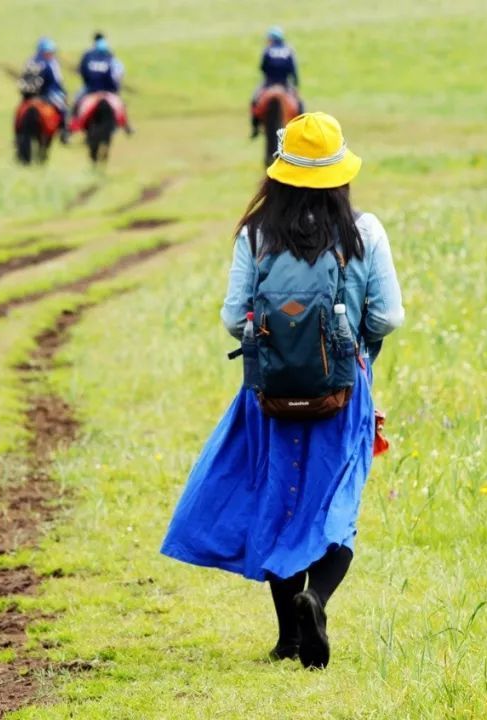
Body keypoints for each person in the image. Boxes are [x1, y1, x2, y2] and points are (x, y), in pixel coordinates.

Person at [161, 112, 405, 670]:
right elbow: (389, 314)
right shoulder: (364, 232)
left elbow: (231, 318)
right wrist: (356, 347)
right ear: (340, 174)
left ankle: (288, 638)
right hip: (343, 393)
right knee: (335, 506)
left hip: (267, 396)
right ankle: (314, 598)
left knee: (276, 499)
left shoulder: (256, 232)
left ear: (281, 173)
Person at [74, 32, 135, 135]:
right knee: (120, 105)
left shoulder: (88, 55)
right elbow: (118, 74)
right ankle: (126, 127)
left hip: (90, 89)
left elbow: (82, 71)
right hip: (109, 91)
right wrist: (116, 88)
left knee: (77, 103)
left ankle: (70, 130)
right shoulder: (110, 56)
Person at [250, 26, 303, 138]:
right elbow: (293, 71)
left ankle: (255, 128)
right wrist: (296, 86)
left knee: (254, 100)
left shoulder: (267, 50)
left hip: (269, 83)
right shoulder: (289, 50)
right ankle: (302, 127)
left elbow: (262, 67)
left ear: (272, 39)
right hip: (284, 84)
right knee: (300, 104)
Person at [22, 37, 70, 143]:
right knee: (64, 108)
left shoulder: (31, 61)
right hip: (48, 93)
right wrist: (63, 92)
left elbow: (24, 78)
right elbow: (57, 80)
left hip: (30, 95)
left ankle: (18, 134)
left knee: (21, 111)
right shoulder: (52, 63)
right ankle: (64, 132)